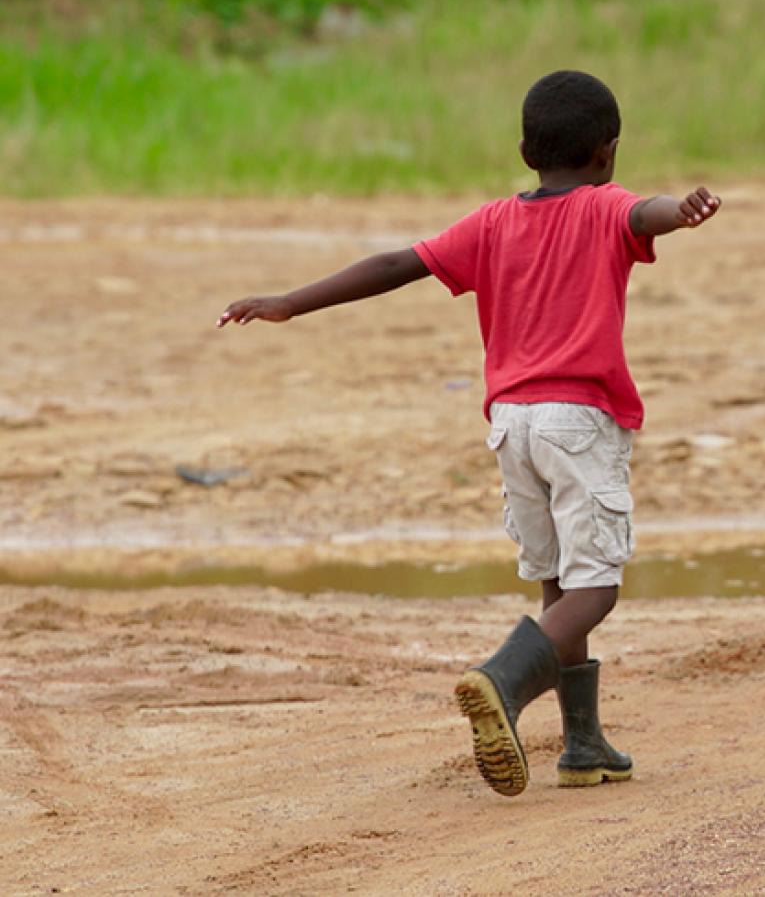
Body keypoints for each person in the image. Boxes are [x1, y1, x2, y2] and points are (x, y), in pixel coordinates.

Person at [217, 70, 720, 795]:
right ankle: (503, 681)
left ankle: (582, 743)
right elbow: (647, 213)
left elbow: (398, 263)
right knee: (597, 587)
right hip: (577, 420)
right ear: (608, 153)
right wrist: (688, 208)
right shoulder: (604, 206)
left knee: (558, 583)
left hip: (511, 425)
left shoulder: (491, 222)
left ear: (524, 150)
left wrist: (289, 303)